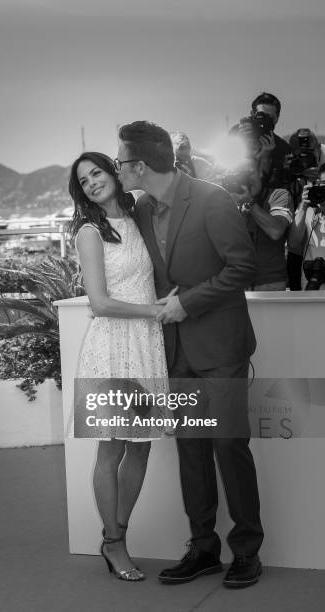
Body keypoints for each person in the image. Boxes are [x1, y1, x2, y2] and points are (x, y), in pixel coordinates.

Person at [115, 121, 264, 589]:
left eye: (120, 163)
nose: (118, 170)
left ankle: (247, 551)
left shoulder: (211, 199)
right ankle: (203, 549)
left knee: (228, 447)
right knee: (191, 453)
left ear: (140, 165)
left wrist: (187, 302)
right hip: (174, 351)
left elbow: (244, 267)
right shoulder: (139, 209)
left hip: (220, 347)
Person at [68, 151, 169, 582]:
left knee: (141, 445)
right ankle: (113, 542)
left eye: (96, 173)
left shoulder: (141, 215)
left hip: (145, 345)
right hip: (112, 347)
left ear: (113, 172)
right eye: (83, 180)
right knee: (111, 448)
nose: (92, 182)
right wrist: (158, 312)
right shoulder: (90, 233)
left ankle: (117, 533)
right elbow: (100, 303)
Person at [232, 161, 293, 290]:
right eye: (242, 174)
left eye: (250, 172)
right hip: (236, 282)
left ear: (260, 172)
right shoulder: (228, 198)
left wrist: (250, 203)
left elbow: (276, 231)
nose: (247, 179)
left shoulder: (278, 195)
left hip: (270, 282)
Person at [287, 162, 325, 289]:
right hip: (310, 293)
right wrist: (303, 205)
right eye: (323, 184)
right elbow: (293, 244)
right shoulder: (308, 213)